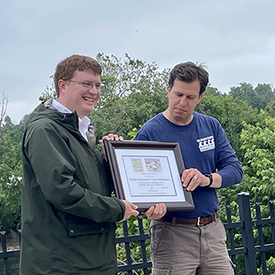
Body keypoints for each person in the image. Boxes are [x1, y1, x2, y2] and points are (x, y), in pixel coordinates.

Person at [20, 54, 165, 275]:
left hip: (92, 258)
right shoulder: (45, 130)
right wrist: (117, 209)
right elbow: (63, 191)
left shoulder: (81, 131)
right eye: (86, 84)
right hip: (62, 263)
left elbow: (93, 185)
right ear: (63, 85)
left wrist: (111, 162)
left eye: (97, 85)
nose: (94, 92)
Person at [135, 61, 243, 275]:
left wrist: (206, 179)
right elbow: (138, 189)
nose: (182, 102)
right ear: (168, 90)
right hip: (171, 232)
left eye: (190, 97)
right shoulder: (149, 133)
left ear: (200, 97)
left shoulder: (211, 125)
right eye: (178, 94)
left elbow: (235, 170)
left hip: (213, 230)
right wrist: (148, 208)